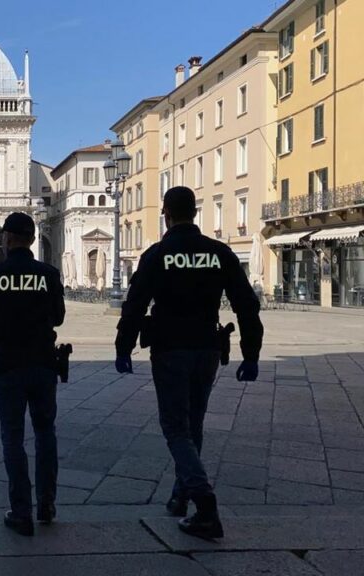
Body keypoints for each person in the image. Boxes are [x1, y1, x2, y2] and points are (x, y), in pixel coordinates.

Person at [114, 187, 263, 540]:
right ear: (194, 213)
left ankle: (204, 504)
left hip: (169, 350)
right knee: (194, 422)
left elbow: (134, 305)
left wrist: (123, 347)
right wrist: (251, 352)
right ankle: (181, 495)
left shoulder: (157, 254)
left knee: (175, 428)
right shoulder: (219, 252)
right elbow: (246, 304)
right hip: (207, 349)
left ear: (166, 212)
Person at [0, 212, 65, 537]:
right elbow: (58, 317)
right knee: (45, 433)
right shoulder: (49, 274)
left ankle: (21, 511)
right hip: (42, 363)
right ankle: (47, 505)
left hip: (6, 364)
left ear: (9, 238)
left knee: (12, 437)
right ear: (30, 238)